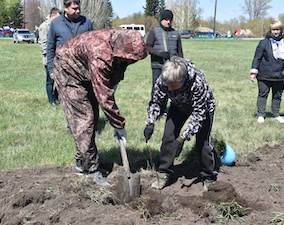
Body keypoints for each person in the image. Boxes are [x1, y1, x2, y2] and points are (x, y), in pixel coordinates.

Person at [53, 28, 147, 185]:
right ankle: (88, 169)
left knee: (93, 117)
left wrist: (113, 86)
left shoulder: (120, 41)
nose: (131, 62)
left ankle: (83, 160)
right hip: (68, 70)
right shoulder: (100, 56)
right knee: (84, 118)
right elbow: (103, 97)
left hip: (85, 68)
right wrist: (119, 125)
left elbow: (113, 74)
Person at [143, 56, 217, 191]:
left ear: (183, 80)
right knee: (168, 138)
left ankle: (208, 176)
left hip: (203, 108)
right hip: (178, 106)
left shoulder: (197, 82)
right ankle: (164, 173)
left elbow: (198, 115)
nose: (170, 89)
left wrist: (182, 138)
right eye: (168, 86)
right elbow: (157, 102)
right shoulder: (163, 80)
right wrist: (150, 123)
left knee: (202, 143)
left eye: (173, 86)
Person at [250, 18, 284, 123]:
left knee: (277, 96)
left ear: (281, 30)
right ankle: (261, 114)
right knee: (263, 94)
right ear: (270, 30)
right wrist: (253, 72)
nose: (276, 32)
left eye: (278, 30)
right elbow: (257, 58)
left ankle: (276, 114)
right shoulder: (264, 43)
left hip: (280, 75)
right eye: (274, 30)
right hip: (264, 75)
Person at [47, 0, 93, 80]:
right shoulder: (55, 23)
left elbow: (93, 46)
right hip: (63, 70)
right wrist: (51, 70)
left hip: (83, 70)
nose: (78, 11)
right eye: (74, 9)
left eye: (79, 8)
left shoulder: (86, 22)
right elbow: (50, 48)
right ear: (65, 8)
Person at [145, 9, 184, 99]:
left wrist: (181, 64)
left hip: (172, 67)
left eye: (170, 20)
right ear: (161, 20)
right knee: (156, 88)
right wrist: (160, 53)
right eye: (166, 19)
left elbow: (180, 52)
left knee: (171, 89)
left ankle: (169, 109)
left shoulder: (176, 33)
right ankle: (155, 109)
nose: (168, 22)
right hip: (158, 66)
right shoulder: (154, 31)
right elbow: (147, 48)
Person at [38, 7, 62, 107]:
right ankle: (51, 99)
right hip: (49, 58)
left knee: (60, 79)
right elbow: (43, 43)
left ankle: (56, 97)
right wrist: (48, 58)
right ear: (52, 16)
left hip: (58, 58)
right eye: (57, 18)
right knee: (50, 80)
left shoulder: (57, 26)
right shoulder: (44, 26)